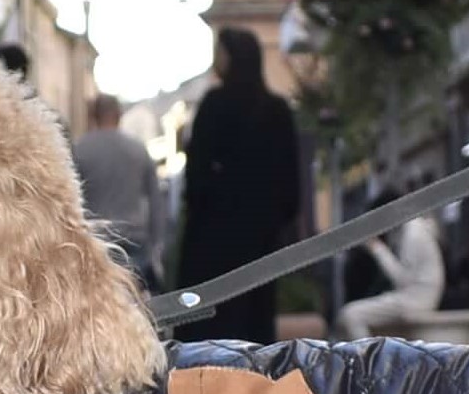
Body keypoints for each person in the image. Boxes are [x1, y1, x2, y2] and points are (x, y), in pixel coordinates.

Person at [177, 27, 301, 346]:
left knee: (212, 324)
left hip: (213, 237)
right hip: (259, 238)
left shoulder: (215, 105)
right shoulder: (277, 110)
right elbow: (290, 182)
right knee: (254, 320)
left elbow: (197, 173)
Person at [73, 92, 165, 289]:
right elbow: (156, 202)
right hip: (136, 242)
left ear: (93, 116)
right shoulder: (138, 149)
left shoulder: (81, 150)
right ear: (119, 115)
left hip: (97, 244)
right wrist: (156, 246)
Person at [337, 205, 446, 338]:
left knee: (351, 315)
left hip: (416, 299)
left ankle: (368, 356)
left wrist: (377, 248)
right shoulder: (410, 230)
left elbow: (402, 280)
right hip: (416, 295)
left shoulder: (413, 234)